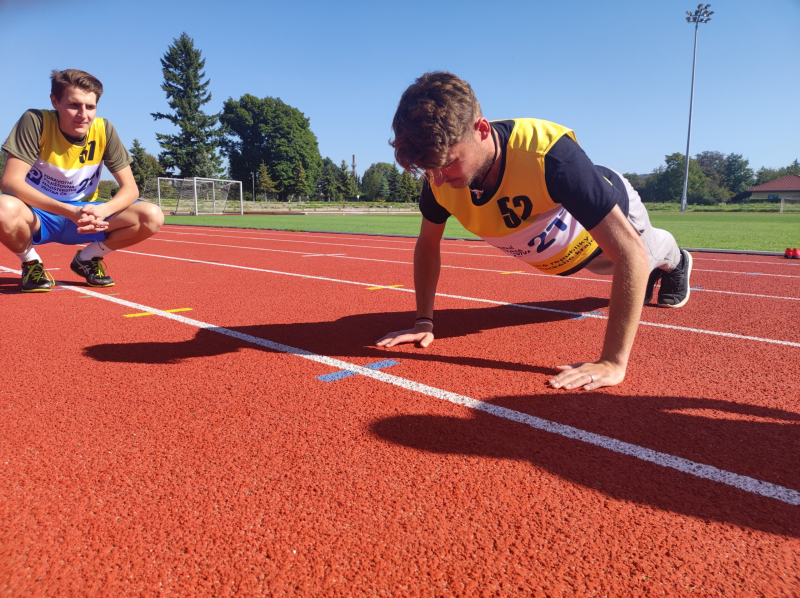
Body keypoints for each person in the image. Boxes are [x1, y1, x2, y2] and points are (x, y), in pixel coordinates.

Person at [377, 72, 691, 391]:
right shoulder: (438, 178)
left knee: (645, 256)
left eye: (449, 163)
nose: (439, 179)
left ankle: (677, 261)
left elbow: (630, 253)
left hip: (612, 215)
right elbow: (428, 245)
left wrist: (612, 362)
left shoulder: (551, 156)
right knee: (606, 269)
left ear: (482, 130)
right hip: (568, 252)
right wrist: (423, 321)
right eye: (430, 169)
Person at [0, 69, 163, 292]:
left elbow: (130, 189)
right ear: (55, 101)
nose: (83, 115)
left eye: (90, 107)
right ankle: (31, 264)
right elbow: (10, 182)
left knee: (151, 216)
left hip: (88, 216)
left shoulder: (104, 129)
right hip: (39, 214)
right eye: (74, 105)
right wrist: (69, 212)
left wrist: (104, 210)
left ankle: (87, 259)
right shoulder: (35, 121)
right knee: (2, 208)